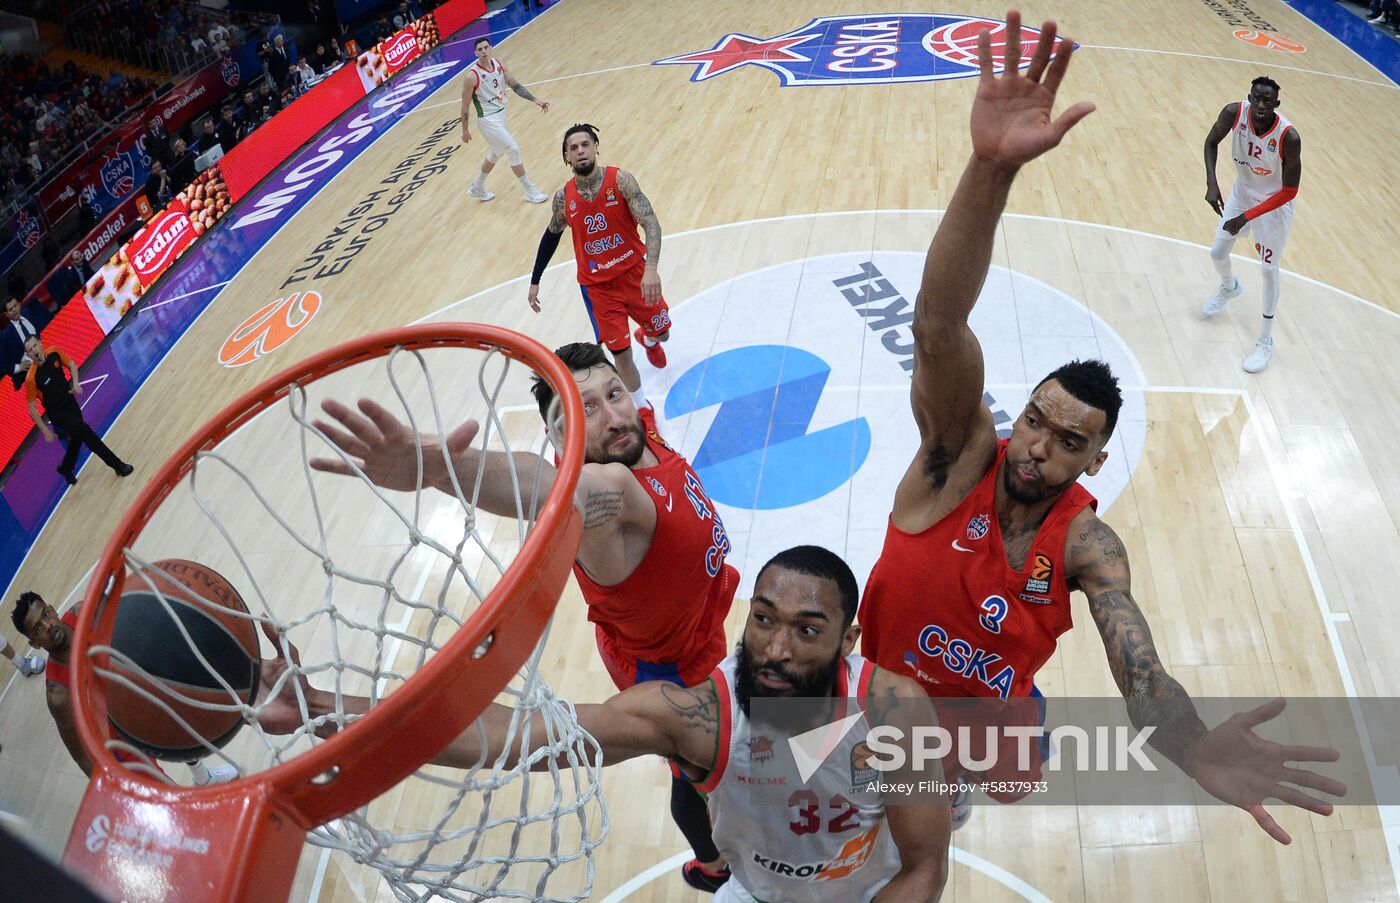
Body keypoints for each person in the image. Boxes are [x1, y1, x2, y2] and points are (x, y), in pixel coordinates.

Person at [856, 12, 1342, 845]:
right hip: (886, 696)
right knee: (872, 830)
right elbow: (938, 324)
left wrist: (1188, 744)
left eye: (1068, 441)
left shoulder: (1086, 543)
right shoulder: (956, 460)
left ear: (1096, 457)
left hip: (988, 724)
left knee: (981, 802)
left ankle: (1014, 712)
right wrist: (989, 168)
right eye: (1035, 420)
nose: (1038, 446)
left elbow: (1138, 663)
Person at [259, 546, 952, 902]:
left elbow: (922, 865)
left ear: (849, 638)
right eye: (763, 618)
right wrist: (325, 707)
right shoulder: (699, 718)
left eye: (807, 629)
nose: (775, 647)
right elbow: (519, 737)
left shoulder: (895, 713)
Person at [309, 341, 739, 891]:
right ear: (562, 440)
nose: (610, 416)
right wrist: (441, 467)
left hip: (696, 625)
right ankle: (713, 862)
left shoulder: (630, 431)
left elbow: (604, 404)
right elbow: (543, 485)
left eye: (614, 394)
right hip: (672, 671)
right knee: (695, 766)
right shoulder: (609, 490)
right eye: (583, 412)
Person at [11, 592, 237, 785]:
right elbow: (80, 755)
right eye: (38, 628)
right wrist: (112, 789)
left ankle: (203, 777)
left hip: (137, 696)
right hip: (121, 741)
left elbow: (131, 628)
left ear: (52, 609)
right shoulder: (58, 694)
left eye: (46, 615)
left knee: (182, 734)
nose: (48, 626)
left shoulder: (83, 612)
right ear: (34, 643)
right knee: (167, 795)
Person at [528, 124, 671, 408]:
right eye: (573, 147)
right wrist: (535, 280)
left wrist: (651, 268)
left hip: (635, 275)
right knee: (621, 353)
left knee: (663, 331)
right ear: (567, 157)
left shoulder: (621, 181)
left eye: (585, 144)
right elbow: (551, 236)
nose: (580, 151)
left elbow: (651, 222)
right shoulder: (563, 199)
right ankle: (642, 409)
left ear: (595, 147)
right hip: (599, 288)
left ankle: (650, 339)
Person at [1201, 76, 1301, 373]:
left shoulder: (1288, 137)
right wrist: (1212, 183)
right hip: (1243, 191)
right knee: (1217, 252)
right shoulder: (1234, 113)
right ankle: (1229, 286)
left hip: (1274, 204)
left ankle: (1265, 342)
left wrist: (1246, 217)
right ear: (1249, 97)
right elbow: (1210, 142)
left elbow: (1290, 191)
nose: (1260, 105)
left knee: (1269, 271)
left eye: (1267, 101)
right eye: (1256, 98)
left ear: (1276, 104)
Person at [23, 334, 134, 484]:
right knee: (86, 432)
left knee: (77, 436)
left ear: (41, 343)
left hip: (70, 402)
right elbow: (31, 408)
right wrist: (44, 429)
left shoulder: (54, 352)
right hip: (57, 413)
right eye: (30, 350)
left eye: (35, 345)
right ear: (28, 355)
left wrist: (75, 383)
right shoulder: (31, 378)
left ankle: (65, 468)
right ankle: (117, 465)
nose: (34, 350)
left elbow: (72, 365)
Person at [461, 38, 550, 205]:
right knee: (513, 148)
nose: (484, 51)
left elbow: (514, 85)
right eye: (480, 49)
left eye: (486, 47)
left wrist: (535, 100)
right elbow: (465, 106)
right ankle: (530, 191)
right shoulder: (471, 76)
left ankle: (477, 187)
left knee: (495, 153)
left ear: (491, 48)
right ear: (475, 53)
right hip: (487, 119)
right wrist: (465, 130)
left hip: (501, 115)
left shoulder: (499, 64)